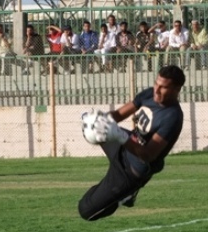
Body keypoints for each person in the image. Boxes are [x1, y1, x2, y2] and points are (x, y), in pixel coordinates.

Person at [78, 65, 186, 221]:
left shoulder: (172, 117)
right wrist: (99, 120)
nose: (156, 90)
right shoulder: (150, 94)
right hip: (126, 145)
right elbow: (118, 115)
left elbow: (148, 155)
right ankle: (115, 193)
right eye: (156, 83)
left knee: (85, 211)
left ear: (176, 89)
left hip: (132, 169)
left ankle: (126, 195)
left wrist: (120, 135)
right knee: (94, 128)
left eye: (163, 87)